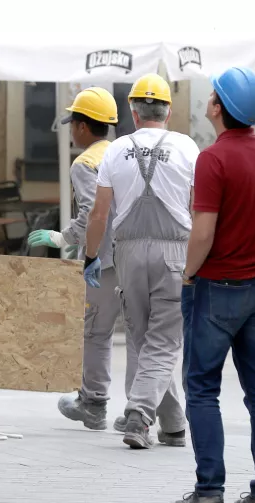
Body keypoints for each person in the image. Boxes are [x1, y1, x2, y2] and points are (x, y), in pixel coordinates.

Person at [170, 67, 255, 503]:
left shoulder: (213, 159)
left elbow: (203, 231)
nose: (208, 101)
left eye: (212, 95)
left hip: (217, 288)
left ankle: (208, 493)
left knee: (201, 388)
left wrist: (188, 273)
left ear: (219, 106)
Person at [84, 73, 198, 449]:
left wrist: (89, 256)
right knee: (164, 343)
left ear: (133, 112)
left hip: (128, 252)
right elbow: (199, 207)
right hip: (174, 252)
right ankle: (138, 414)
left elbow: (99, 214)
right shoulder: (186, 147)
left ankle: (174, 426)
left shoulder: (115, 150)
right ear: (168, 111)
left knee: (143, 338)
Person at [28, 87, 125, 430]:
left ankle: (93, 404)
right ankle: (163, 416)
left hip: (105, 260)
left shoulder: (85, 163)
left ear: (83, 127)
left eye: (73, 123)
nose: (71, 130)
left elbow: (90, 212)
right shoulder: (124, 153)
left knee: (96, 332)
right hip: (136, 257)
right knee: (149, 338)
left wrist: (62, 237)